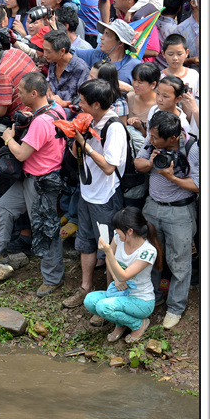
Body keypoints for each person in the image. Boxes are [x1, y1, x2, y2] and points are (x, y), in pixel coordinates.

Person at [0, 73, 66, 295]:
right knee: (2, 209)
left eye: (22, 91)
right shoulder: (52, 108)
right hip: (29, 178)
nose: (18, 94)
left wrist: (8, 138)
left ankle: (52, 279)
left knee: (45, 229)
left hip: (41, 183)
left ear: (34, 93)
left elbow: (22, 153)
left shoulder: (42, 122)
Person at [61, 79, 127, 308]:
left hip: (106, 197)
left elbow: (109, 167)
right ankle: (85, 287)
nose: (79, 105)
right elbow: (74, 153)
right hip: (87, 192)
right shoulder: (90, 121)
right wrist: (77, 135)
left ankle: (110, 300)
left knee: (109, 248)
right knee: (85, 241)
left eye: (83, 101)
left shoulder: (114, 127)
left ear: (97, 104)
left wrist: (85, 143)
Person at [134, 110, 199, 330]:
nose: (150, 140)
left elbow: (198, 185)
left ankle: (175, 308)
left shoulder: (192, 148)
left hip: (180, 212)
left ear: (173, 138)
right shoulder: (153, 140)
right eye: (150, 136)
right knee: (151, 257)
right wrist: (152, 163)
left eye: (155, 138)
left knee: (179, 262)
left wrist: (172, 178)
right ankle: (150, 298)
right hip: (152, 206)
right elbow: (138, 164)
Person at [84, 207, 162, 342]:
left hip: (140, 301)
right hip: (118, 294)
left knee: (103, 307)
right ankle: (120, 324)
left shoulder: (148, 251)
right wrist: (115, 278)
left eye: (118, 228)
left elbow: (124, 275)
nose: (115, 231)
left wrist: (108, 252)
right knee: (90, 300)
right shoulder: (118, 238)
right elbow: (111, 261)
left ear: (130, 231)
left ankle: (138, 325)